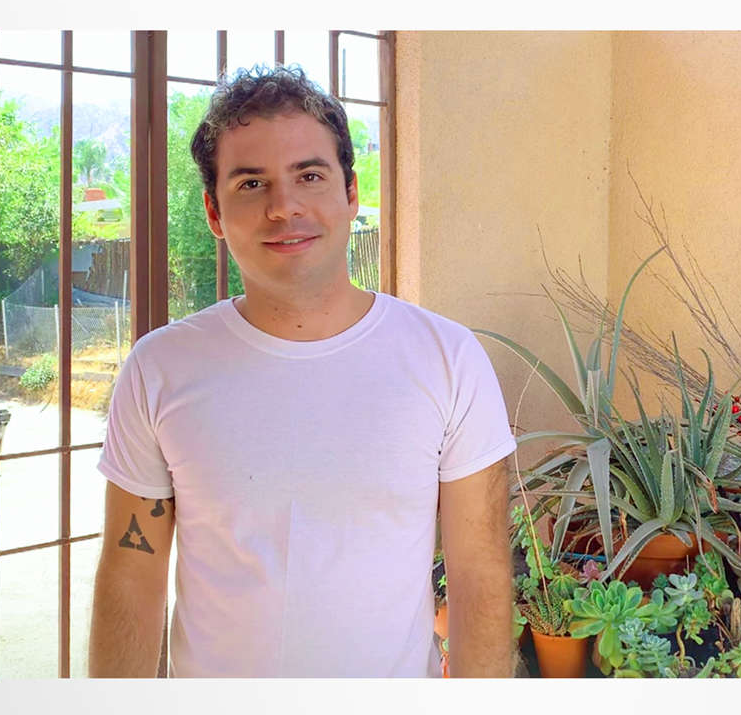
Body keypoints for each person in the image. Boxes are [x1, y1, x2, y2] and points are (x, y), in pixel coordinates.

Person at [88, 65, 517, 678]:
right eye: (251, 183)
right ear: (214, 212)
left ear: (351, 193)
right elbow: (132, 574)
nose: (283, 207)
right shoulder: (159, 369)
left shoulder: (447, 359)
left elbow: (480, 575)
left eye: (309, 176)